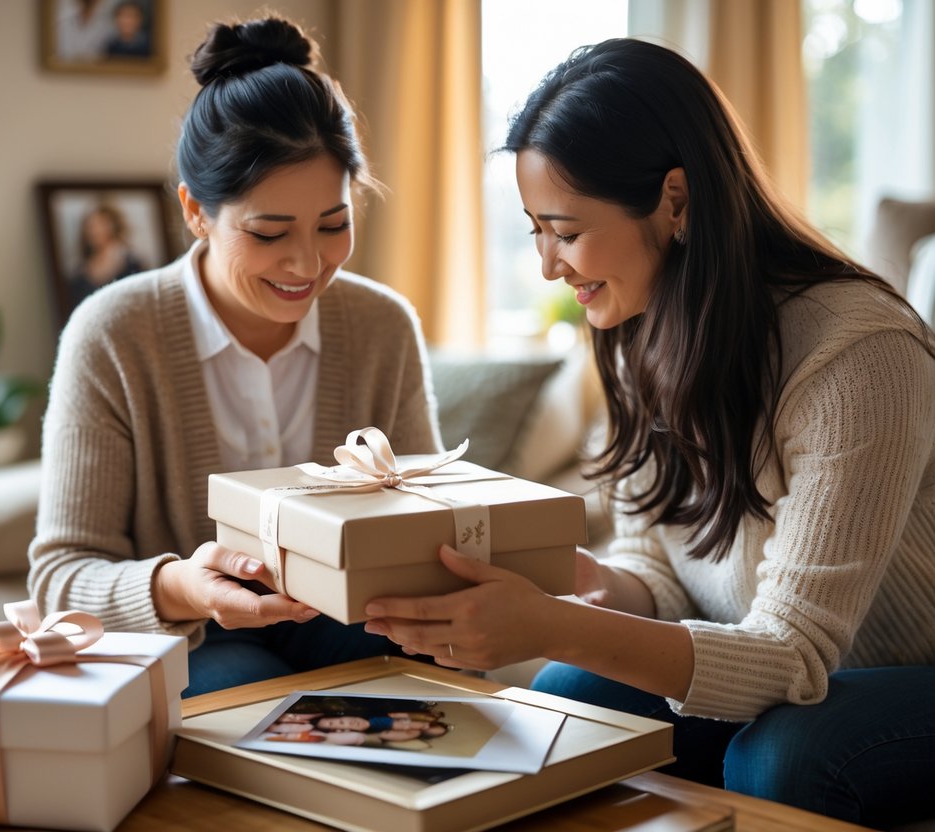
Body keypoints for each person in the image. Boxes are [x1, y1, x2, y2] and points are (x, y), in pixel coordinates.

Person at [363, 38, 935, 828]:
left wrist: (554, 622)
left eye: (563, 230)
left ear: (674, 200)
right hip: (775, 661)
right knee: (566, 695)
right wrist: (580, 582)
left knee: (781, 753)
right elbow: (659, 568)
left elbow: (793, 653)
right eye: (533, 229)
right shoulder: (635, 327)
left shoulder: (857, 351)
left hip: (901, 668)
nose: (546, 266)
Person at [28, 15, 442, 698]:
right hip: (190, 632)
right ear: (195, 210)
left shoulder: (381, 326)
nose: (307, 263)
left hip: (343, 617)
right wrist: (183, 587)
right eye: (269, 232)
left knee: (435, 680)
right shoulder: (112, 334)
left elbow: (424, 526)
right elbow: (59, 580)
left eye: (333, 225)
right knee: (249, 702)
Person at [68, 203, 145, 307]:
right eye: (91, 226)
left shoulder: (130, 262)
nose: (96, 231)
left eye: (101, 225)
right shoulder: (80, 272)